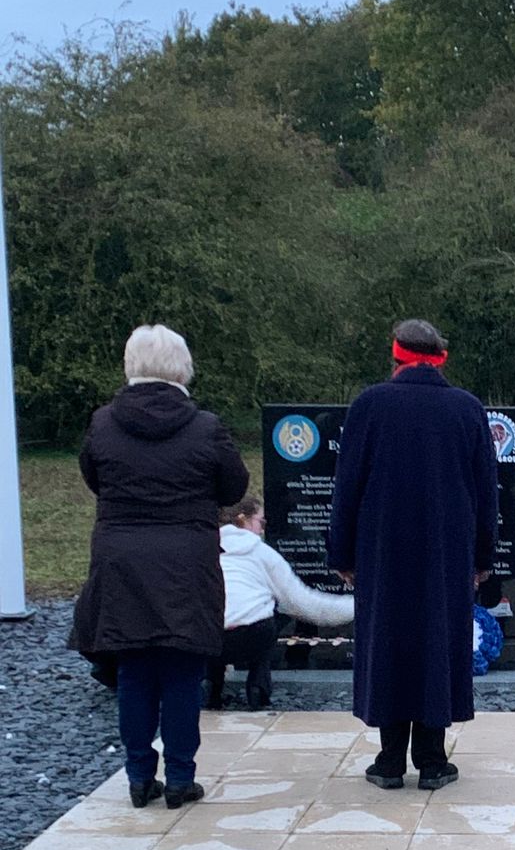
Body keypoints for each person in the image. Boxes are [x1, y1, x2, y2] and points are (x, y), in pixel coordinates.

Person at [72, 324, 249, 808]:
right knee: (181, 672)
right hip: (186, 563)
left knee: (133, 670)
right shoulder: (206, 427)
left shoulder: (103, 423)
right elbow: (234, 488)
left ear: (131, 364)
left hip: (121, 560)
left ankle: (136, 776)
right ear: (182, 367)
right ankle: (179, 778)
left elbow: (93, 477)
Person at [327, 318, 498, 790]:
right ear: (441, 356)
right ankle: (431, 758)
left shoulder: (370, 405)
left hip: (381, 550)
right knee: (436, 642)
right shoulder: (466, 409)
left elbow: (347, 488)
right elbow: (487, 493)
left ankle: (388, 761)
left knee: (389, 642)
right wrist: (483, 557)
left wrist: (341, 553)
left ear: (396, 356)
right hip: (446, 550)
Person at [210, 495, 355, 710]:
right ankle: (258, 686)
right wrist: (358, 606)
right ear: (244, 520)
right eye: (261, 522)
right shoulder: (262, 553)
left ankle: (211, 686)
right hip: (253, 633)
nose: (261, 530)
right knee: (266, 614)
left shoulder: (205, 550)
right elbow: (302, 603)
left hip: (210, 636)